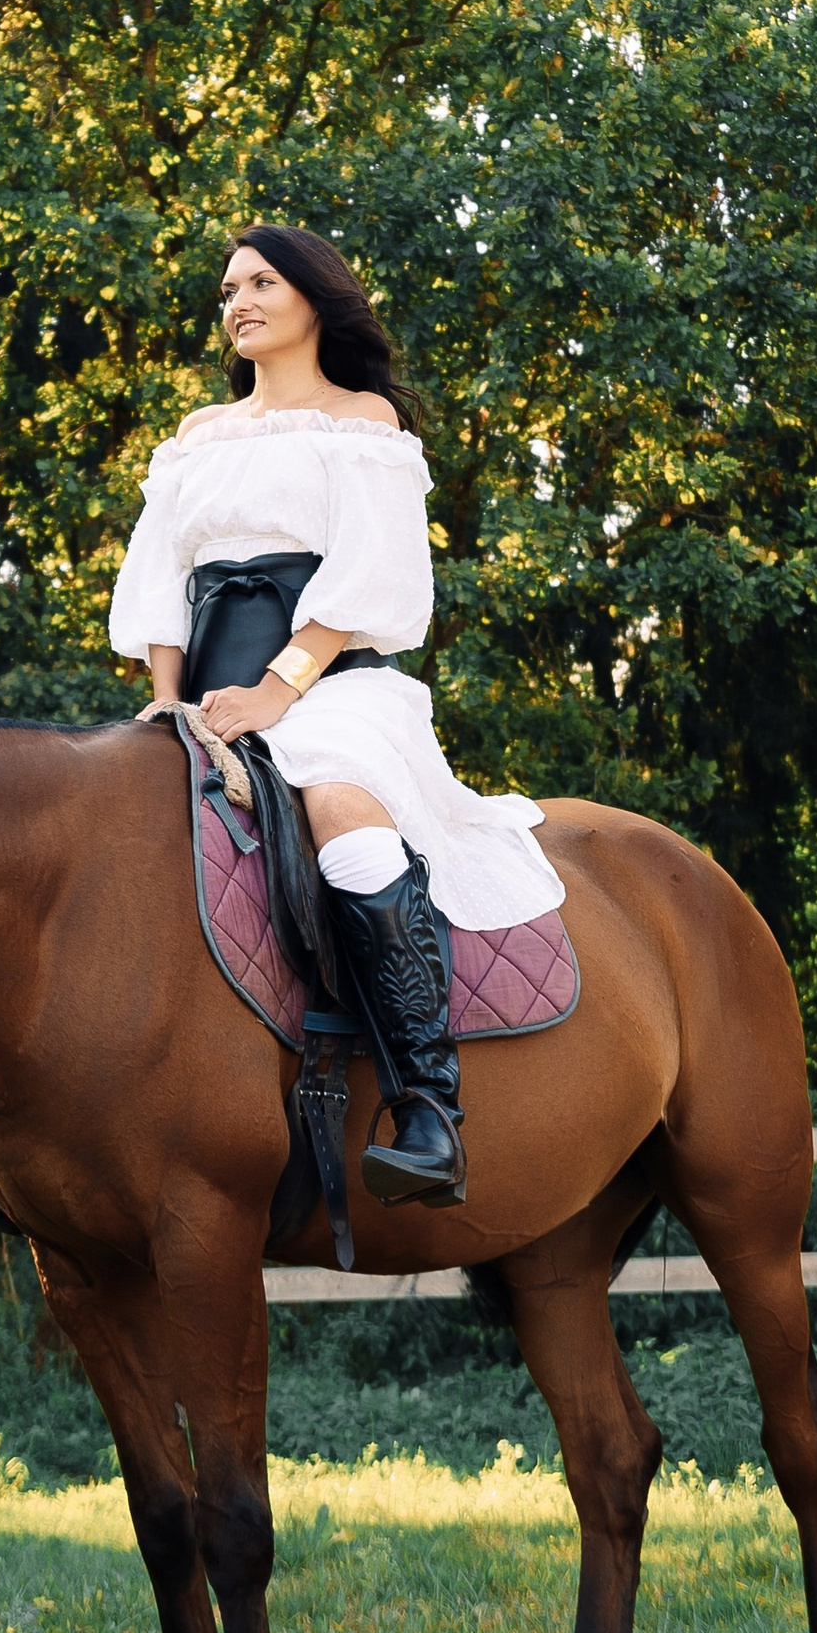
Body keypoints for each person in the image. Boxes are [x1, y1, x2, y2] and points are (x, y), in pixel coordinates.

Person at [109, 225, 564, 1209]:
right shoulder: (198, 434)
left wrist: (276, 692)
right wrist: (168, 697)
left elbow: (368, 574)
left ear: (314, 297)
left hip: (333, 689)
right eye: (228, 289)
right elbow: (156, 580)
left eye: (261, 281)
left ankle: (427, 1108)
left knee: (347, 828)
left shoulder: (361, 421)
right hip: (205, 699)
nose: (238, 301)